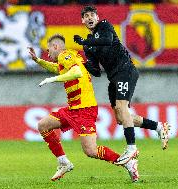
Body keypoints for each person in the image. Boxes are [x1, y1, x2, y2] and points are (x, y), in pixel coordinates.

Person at [28, 34, 139, 182]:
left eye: (48, 50)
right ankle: (63, 162)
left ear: (56, 47)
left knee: (91, 150)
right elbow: (57, 68)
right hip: (73, 109)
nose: (48, 54)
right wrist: (37, 60)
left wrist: (51, 79)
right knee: (43, 125)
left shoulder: (64, 55)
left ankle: (129, 163)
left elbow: (77, 73)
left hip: (84, 109)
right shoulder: (67, 59)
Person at [74, 5, 170, 165]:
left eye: (92, 15)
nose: (90, 18)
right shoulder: (88, 45)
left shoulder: (104, 25)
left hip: (125, 70)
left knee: (122, 107)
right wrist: (80, 62)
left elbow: (108, 40)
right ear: (82, 20)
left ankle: (131, 147)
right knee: (120, 117)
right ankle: (159, 127)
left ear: (97, 17)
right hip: (113, 78)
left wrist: (86, 40)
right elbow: (96, 71)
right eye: (86, 16)